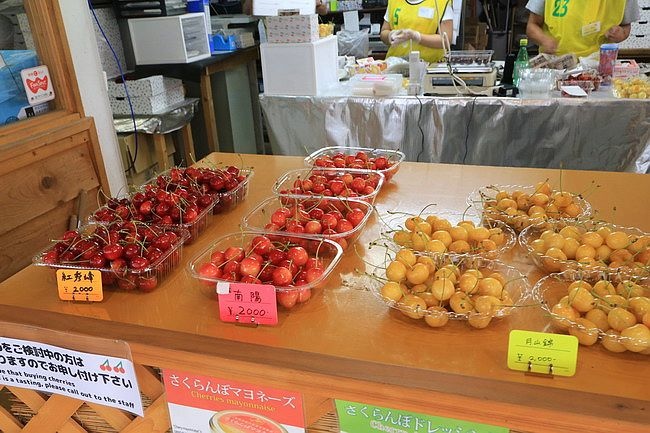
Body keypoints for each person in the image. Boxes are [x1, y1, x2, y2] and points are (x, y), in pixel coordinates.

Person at [526, 0, 640, 58]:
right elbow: (532, 26)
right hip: (555, 64)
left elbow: (626, 26)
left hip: (598, 68)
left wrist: (621, 33)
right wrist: (544, 40)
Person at [380, 0, 454, 63]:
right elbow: (384, 32)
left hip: (430, 67)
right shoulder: (394, 1)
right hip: (395, 67)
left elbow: (445, 40)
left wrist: (417, 36)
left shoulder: (441, 2)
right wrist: (390, 35)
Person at [242, 0, 328, 15]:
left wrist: (317, 3)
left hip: (303, 33)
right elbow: (247, 11)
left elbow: (324, 11)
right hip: (273, 36)